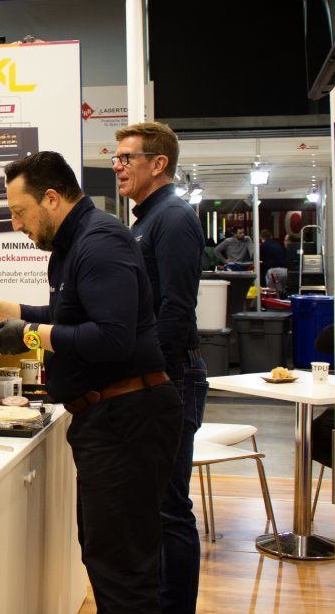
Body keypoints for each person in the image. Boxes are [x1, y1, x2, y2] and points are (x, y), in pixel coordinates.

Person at [0, 152, 182, 613]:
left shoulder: (100, 242)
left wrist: (27, 335)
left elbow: (112, 338)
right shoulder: (73, 244)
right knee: (107, 556)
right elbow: (67, 319)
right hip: (109, 417)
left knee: (122, 568)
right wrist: (2, 309)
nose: (18, 225)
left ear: (52, 198)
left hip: (127, 418)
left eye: (20, 212)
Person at [113, 121, 207, 614]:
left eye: (127, 157)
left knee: (170, 509)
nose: (118, 166)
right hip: (157, 377)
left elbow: (175, 311)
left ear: (158, 163)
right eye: (117, 156)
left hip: (172, 378)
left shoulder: (173, 218)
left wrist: (151, 379)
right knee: (154, 507)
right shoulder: (146, 218)